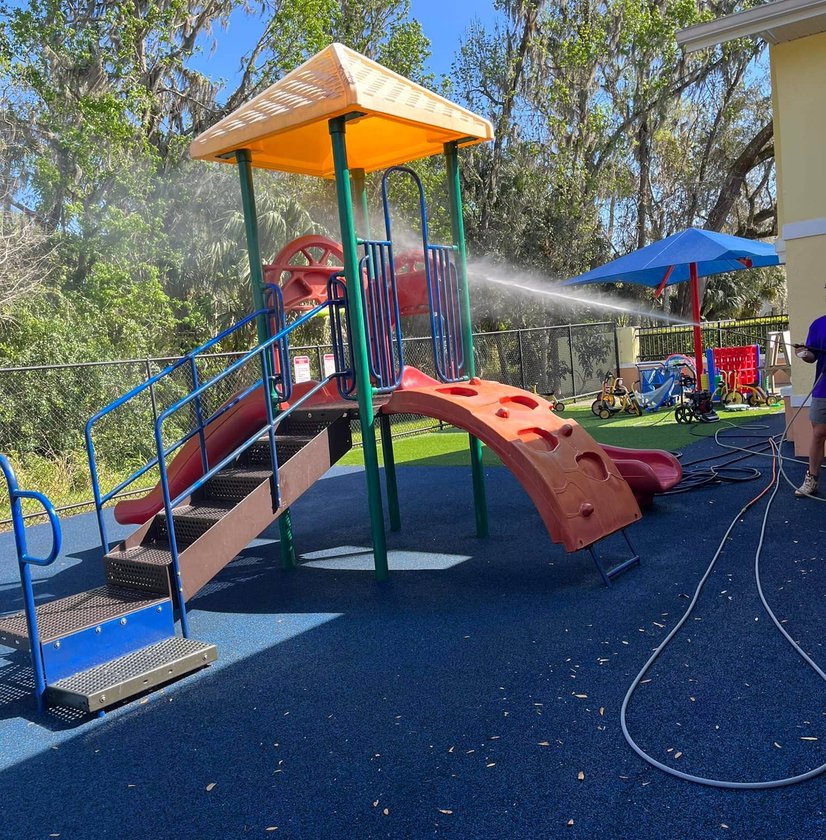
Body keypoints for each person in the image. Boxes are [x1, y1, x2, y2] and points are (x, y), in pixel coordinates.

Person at [794, 314, 826, 497]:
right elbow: (812, 356)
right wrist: (804, 354)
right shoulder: (818, 324)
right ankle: (812, 479)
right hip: (823, 387)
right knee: (819, 433)